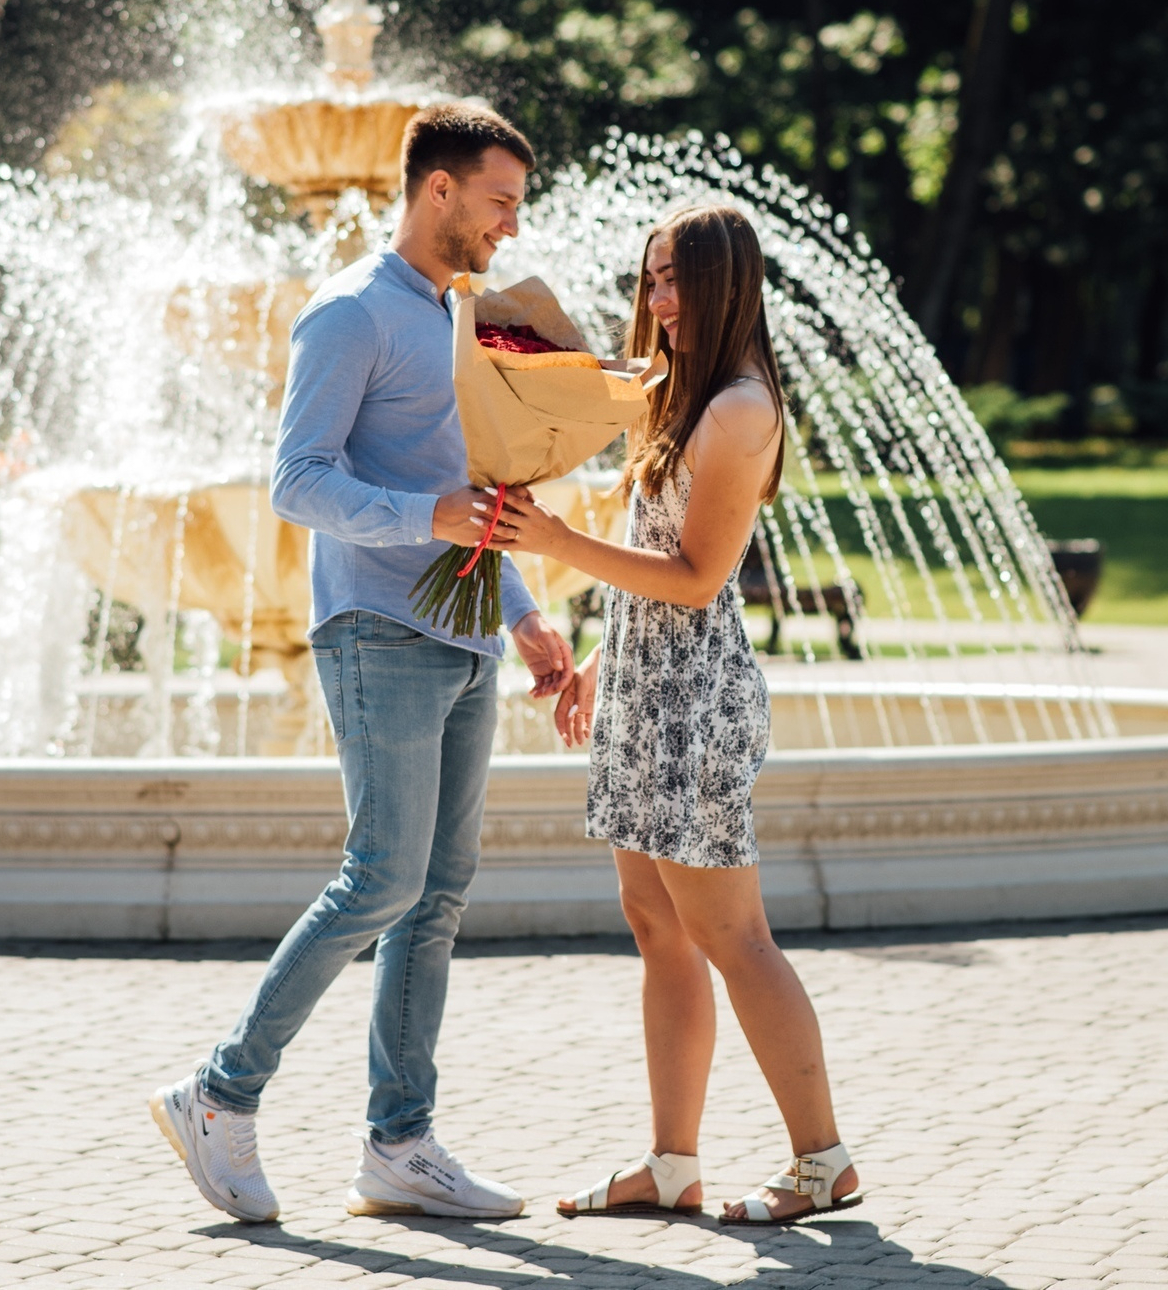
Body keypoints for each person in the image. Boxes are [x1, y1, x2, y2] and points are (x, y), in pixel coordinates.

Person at [149, 103, 577, 1225]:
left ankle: (399, 1143)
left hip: (471, 631)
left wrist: (526, 612)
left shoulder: (466, 319)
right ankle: (217, 1091)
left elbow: (473, 484)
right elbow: (296, 482)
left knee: (435, 894)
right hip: (376, 628)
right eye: (498, 200)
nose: (509, 225)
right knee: (381, 876)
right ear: (437, 190)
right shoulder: (348, 313)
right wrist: (425, 514)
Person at [494, 203, 865, 1227]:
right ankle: (669, 1163)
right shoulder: (681, 398)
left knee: (733, 931)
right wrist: (604, 659)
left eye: (678, 280)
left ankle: (822, 1158)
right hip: (646, 689)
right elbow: (658, 571)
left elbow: (699, 578)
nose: (659, 300)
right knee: (657, 923)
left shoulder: (737, 408)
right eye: (651, 278)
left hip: (694, 704)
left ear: (726, 284)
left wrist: (555, 540)